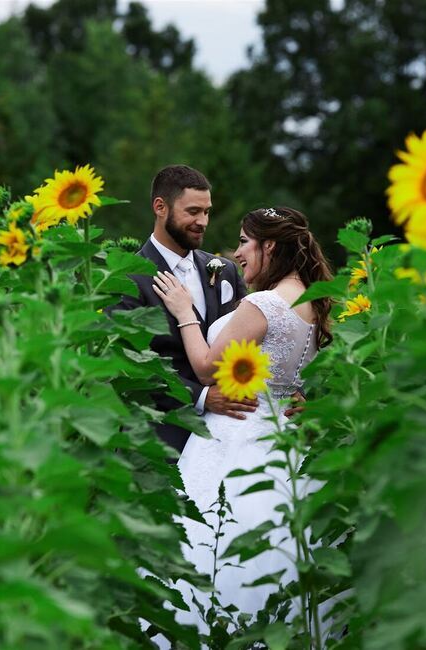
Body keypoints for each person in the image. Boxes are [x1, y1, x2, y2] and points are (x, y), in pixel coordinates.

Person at [150, 206, 334, 634]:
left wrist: (184, 312)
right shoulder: (313, 301)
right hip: (285, 439)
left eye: (244, 242)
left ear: (269, 246)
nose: (236, 253)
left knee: (213, 542)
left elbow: (207, 369)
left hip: (237, 432)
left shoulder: (263, 303)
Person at [113, 165, 257, 454]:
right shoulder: (126, 278)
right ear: (160, 207)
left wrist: (289, 391)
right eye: (193, 211)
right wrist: (201, 397)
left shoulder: (225, 271)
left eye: (207, 212)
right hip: (160, 440)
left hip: (228, 438)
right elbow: (128, 364)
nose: (202, 221)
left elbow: (256, 340)